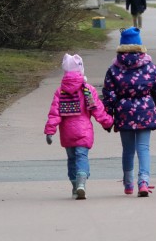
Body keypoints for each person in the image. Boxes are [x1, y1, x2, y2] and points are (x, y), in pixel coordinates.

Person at [102, 27, 156, 197]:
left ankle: (128, 183)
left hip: (124, 112)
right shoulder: (150, 66)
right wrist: (154, 102)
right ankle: (143, 182)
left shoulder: (114, 68)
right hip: (145, 111)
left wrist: (109, 112)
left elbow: (108, 93)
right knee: (143, 148)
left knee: (128, 149)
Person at [44, 53, 114, 200]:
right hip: (84, 130)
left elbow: (54, 113)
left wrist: (50, 131)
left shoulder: (60, 91)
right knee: (82, 157)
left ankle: (75, 187)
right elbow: (97, 109)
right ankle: (82, 184)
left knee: (71, 159)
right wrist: (107, 122)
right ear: (81, 70)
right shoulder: (88, 90)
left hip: (67, 132)